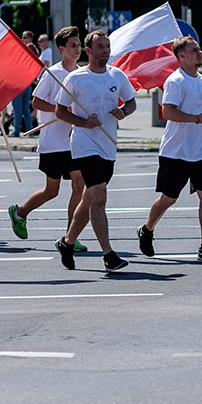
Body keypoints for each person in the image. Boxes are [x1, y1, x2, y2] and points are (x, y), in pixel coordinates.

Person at [138, 36, 202, 262]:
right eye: (194, 50)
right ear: (181, 56)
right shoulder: (175, 81)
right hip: (175, 151)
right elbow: (168, 112)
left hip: (198, 150)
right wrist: (199, 118)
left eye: (199, 49)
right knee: (169, 198)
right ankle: (147, 229)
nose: (199, 53)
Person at [54, 30, 137, 273]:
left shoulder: (117, 76)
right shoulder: (76, 78)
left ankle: (67, 242)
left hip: (108, 144)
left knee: (89, 198)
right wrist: (82, 123)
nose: (105, 50)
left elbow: (131, 101)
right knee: (99, 197)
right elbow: (60, 111)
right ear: (88, 51)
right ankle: (109, 255)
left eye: (107, 46)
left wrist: (125, 111)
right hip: (84, 144)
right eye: (100, 46)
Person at [9, 26, 91, 252]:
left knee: (79, 183)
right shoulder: (53, 73)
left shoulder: (82, 74)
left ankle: (70, 236)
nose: (78, 50)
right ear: (62, 49)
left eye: (79, 45)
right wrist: (60, 111)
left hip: (75, 141)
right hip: (53, 142)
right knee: (51, 191)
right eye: (73, 46)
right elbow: (35, 102)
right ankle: (20, 213)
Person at [10, 31, 38, 136]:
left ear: (30, 38)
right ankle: (29, 129)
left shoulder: (29, 48)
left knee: (17, 108)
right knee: (25, 108)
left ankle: (16, 130)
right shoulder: (34, 49)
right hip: (27, 83)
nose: (22, 39)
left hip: (19, 84)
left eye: (24, 37)